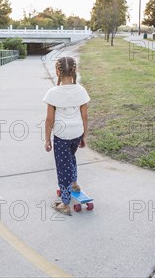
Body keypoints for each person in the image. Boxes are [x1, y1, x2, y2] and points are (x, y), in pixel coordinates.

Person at [42, 56, 90, 216]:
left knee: (63, 167)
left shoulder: (53, 93)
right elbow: (85, 117)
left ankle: (65, 202)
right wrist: (84, 136)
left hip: (62, 136)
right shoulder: (81, 91)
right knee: (71, 157)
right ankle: (74, 183)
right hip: (76, 133)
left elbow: (49, 120)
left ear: (57, 71)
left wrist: (47, 139)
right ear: (74, 71)